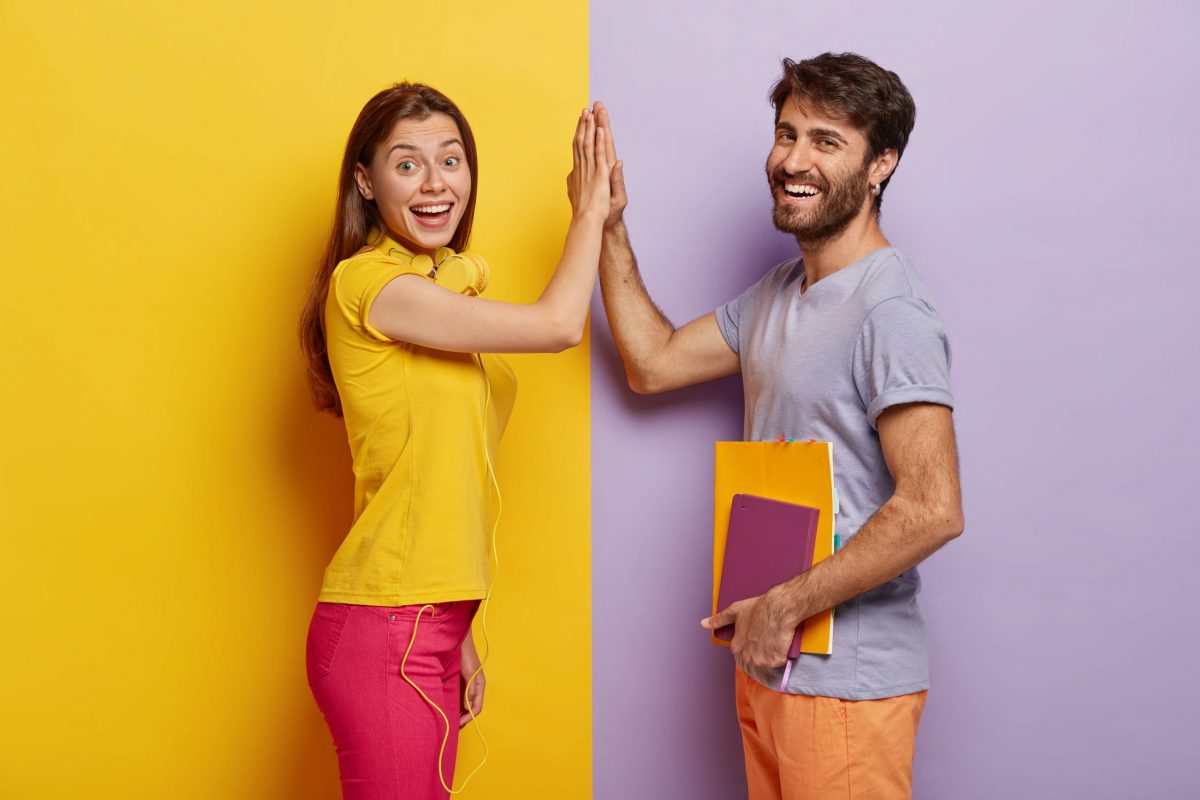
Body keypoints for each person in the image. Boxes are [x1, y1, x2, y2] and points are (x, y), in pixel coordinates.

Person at [596, 53, 964, 799]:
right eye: (786, 133)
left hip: (848, 685)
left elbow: (933, 508)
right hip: (771, 663)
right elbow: (654, 362)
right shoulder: (779, 293)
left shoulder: (891, 311)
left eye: (827, 141)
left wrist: (785, 605)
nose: (794, 160)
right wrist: (606, 223)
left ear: (880, 165)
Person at [298, 83, 610, 800]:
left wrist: (459, 627)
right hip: (387, 629)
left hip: (429, 619)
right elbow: (559, 325)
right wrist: (590, 211)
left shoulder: (439, 291)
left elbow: (430, 473)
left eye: (452, 160)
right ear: (365, 182)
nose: (437, 183)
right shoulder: (372, 285)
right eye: (407, 164)